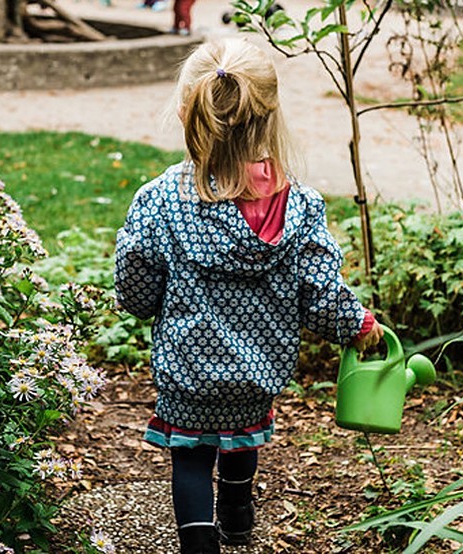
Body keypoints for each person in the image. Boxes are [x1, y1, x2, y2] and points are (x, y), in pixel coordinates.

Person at [114, 39, 382, 554]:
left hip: (188, 374)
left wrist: (146, 296)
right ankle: (237, 514)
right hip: (258, 375)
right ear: (270, 114)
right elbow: (321, 293)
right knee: (240, 436)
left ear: (187, 111)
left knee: (191, 456)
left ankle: (199, 544)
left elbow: (138, 292)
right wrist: (359, 325)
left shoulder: (159, 201)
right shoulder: (299, 206)